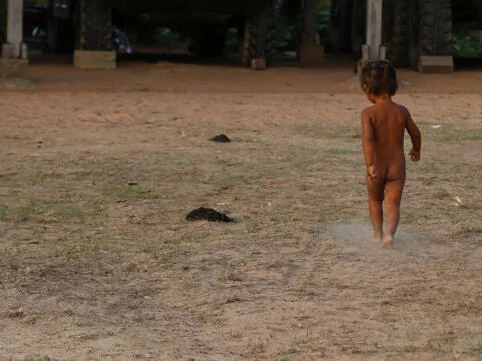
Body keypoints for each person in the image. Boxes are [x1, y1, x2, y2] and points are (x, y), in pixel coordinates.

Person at [360, 60, 421, 247]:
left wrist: (370, 164)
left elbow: (368, 140)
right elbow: (416, 133)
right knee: (393, 203)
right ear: (394, 86)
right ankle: (389, 236)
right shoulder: (401, 111)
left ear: (366, 87)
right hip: (397, 167)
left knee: (374, 200)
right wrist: (416, 149)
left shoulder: (368, 113)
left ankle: (378, 235)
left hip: (376, 166)